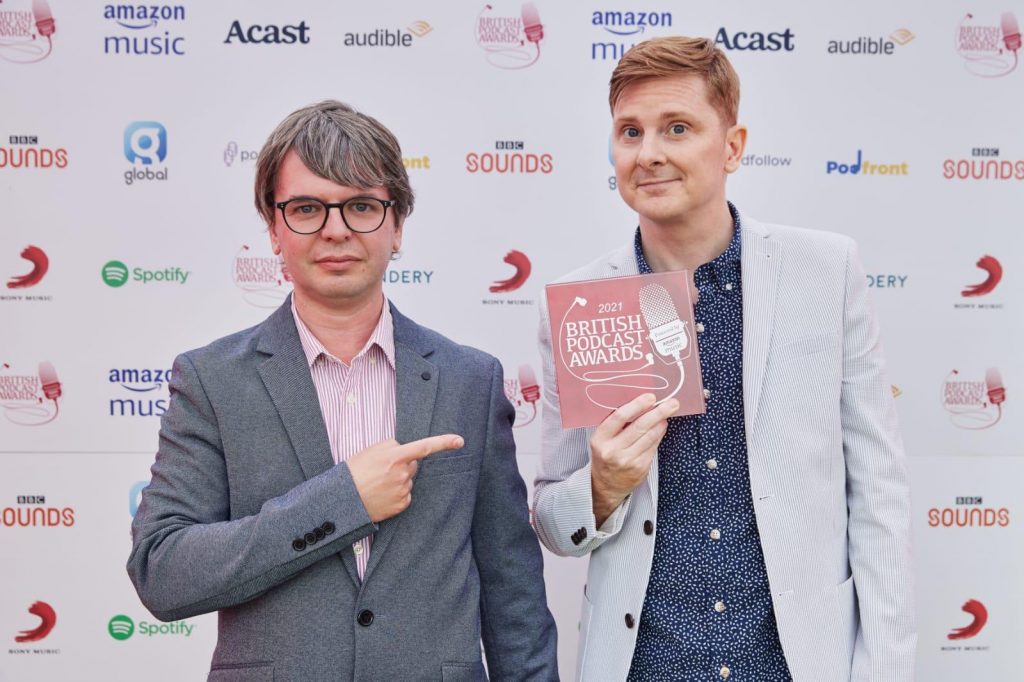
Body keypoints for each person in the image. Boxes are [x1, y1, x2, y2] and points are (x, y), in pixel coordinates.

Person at [128, 100, 558, 682]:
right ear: (274, 228)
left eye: (361, 206)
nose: (335, 230)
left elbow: (514, 599)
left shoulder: (470, 381)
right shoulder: (212, 380)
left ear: (398, 225)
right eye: (307, 208)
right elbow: (164, 572)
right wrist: (344, 501)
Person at [533, 37, 914, 681]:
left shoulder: (825, 272)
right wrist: (600, 488)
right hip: (644, 664)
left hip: (793, 664)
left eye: (676, 128)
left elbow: (878, 496)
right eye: (630, 131)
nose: (648, 152)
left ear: (732, 145)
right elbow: (550, 518)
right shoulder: (582, 306)